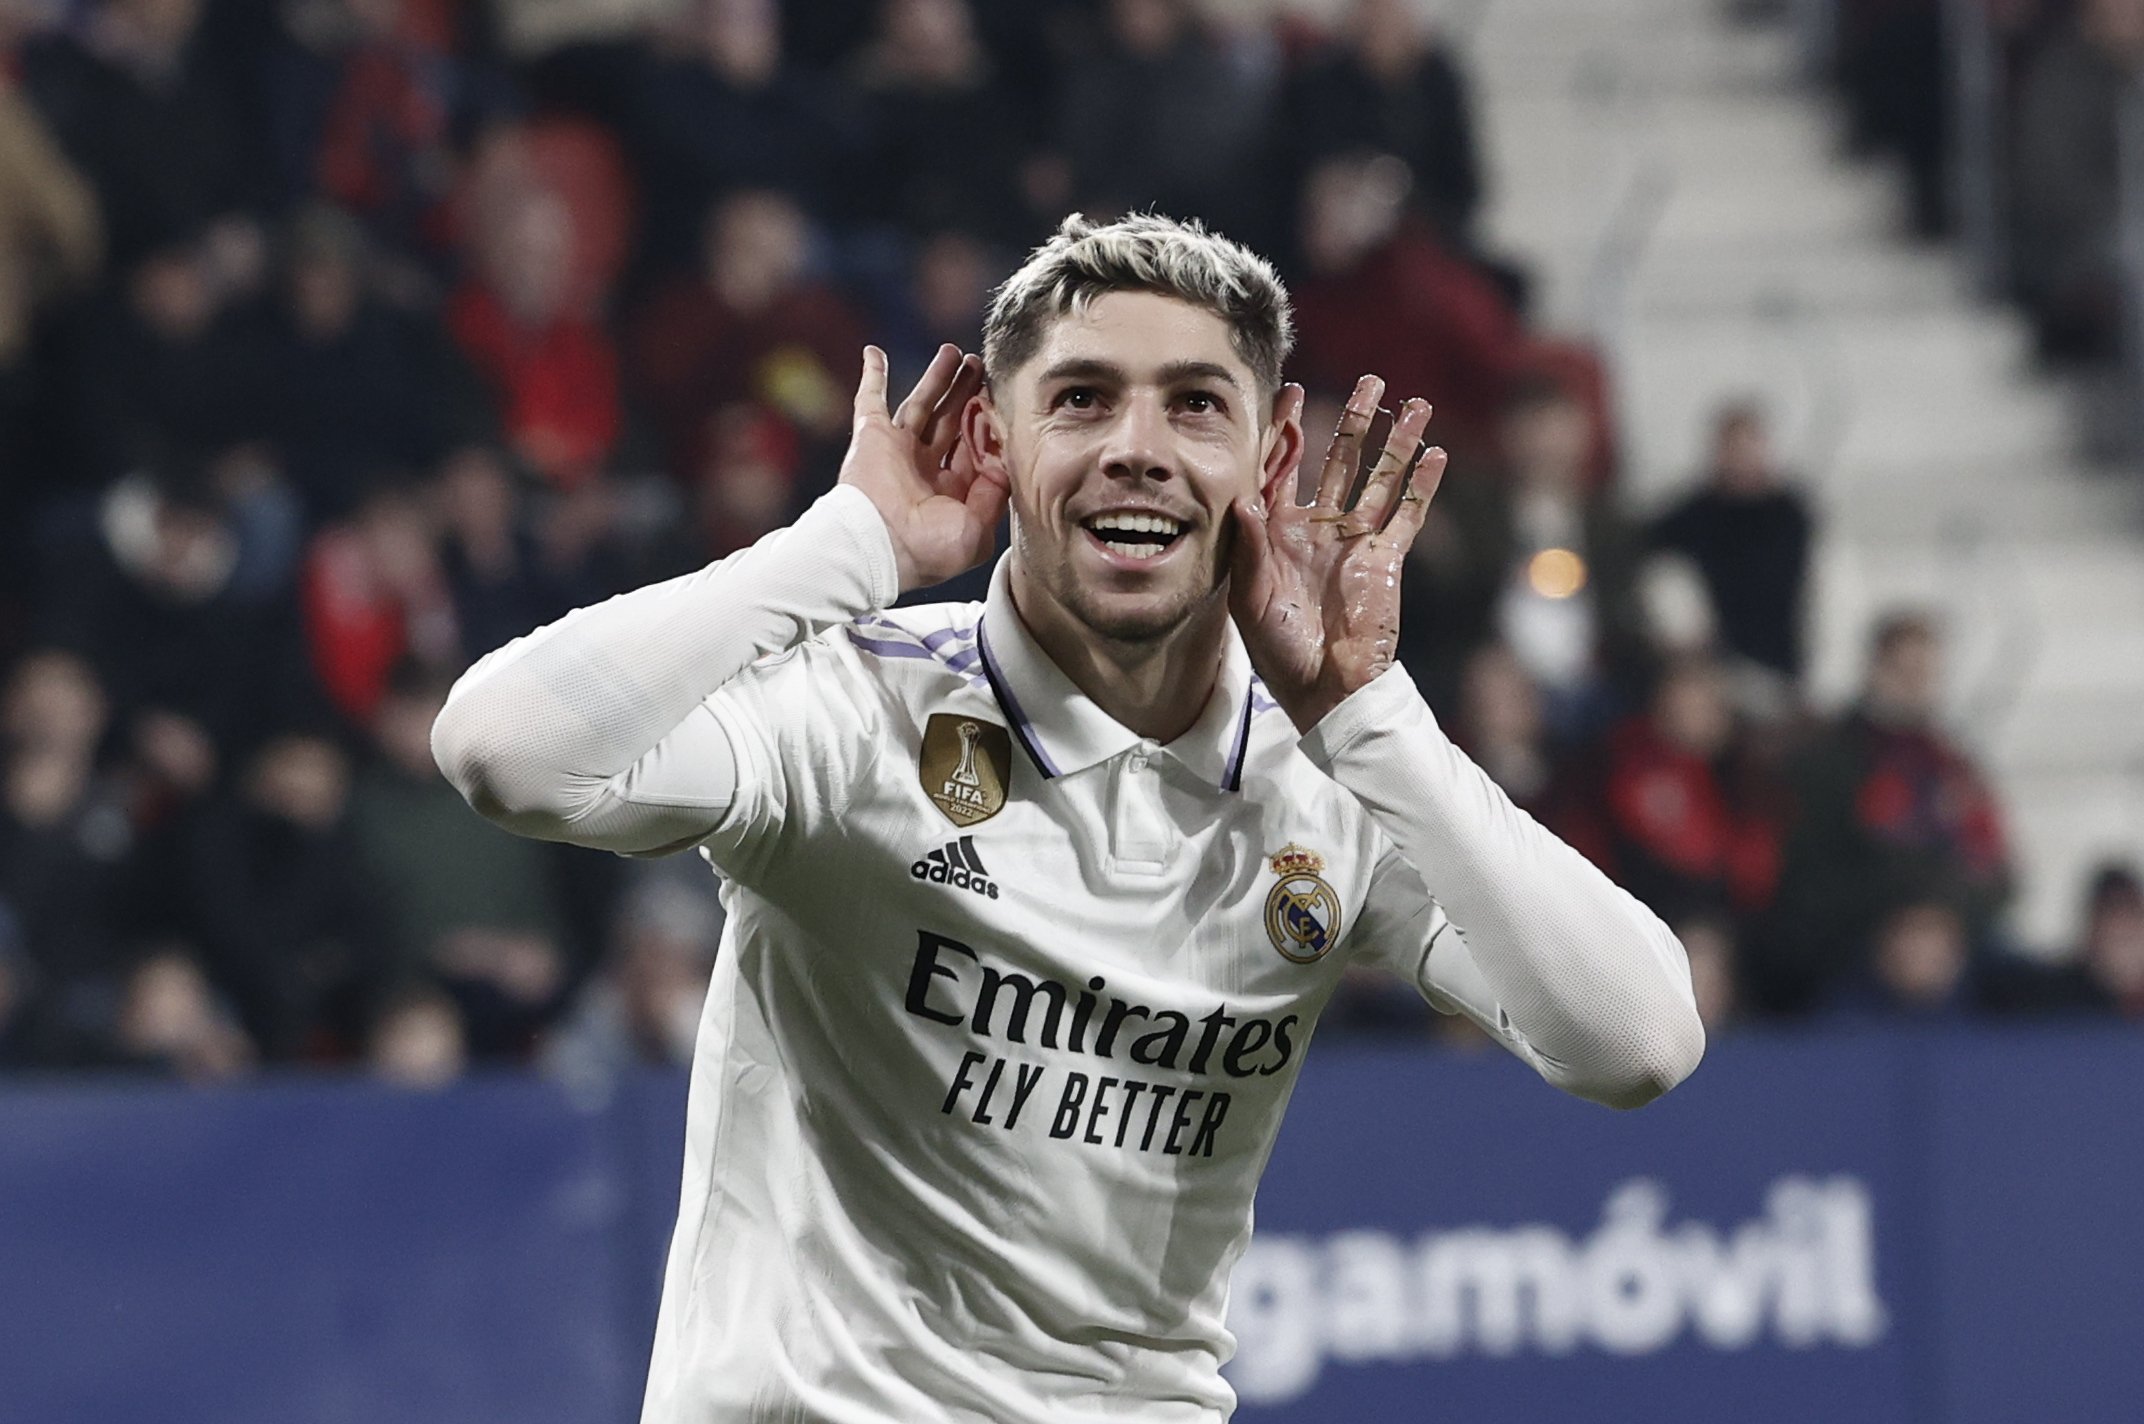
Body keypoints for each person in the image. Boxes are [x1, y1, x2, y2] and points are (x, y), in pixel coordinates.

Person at [432, 213, 1703, 1422]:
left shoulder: (1331, 777)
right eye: (1082, 397)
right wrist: (850, 546)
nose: (1136, 445)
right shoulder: (850, 706)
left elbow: (1634, 1038)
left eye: (1195, 404)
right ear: (995, 439)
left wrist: (1370, 715)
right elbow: (506, 750)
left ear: (1267, 465)